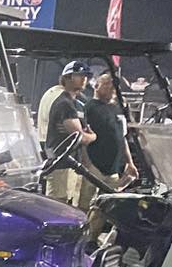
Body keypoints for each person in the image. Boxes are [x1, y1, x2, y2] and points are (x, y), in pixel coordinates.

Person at [80, 69, 137, 206]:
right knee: (86, 203)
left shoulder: (116, 109)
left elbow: (122, 137)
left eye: (113, 85)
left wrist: (130, 162)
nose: (111, 88)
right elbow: (81, 136)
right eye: (106, 84)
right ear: (96, 86)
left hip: (113, 169)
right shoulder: (88, 108)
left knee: (108, 206)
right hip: (94, 166)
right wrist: (87, 164)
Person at [41, 61, 94, 203]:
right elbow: (80, 137)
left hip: (72, 164)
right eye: (79, 75)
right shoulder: (64, 104)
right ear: (67, 77)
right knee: (57, 205)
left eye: (86, 76)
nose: (84, 79)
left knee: (71, 207)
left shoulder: (76, 104)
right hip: (60, 165)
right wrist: (93, 136)